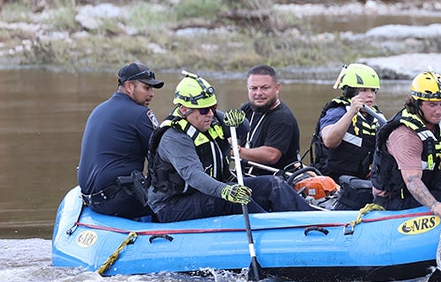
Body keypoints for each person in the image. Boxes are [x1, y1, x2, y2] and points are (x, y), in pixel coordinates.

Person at [146, 73, 315, 223]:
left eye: (213, 107)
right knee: (234, 199)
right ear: (184, 109)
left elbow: (243, 129)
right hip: (174, 205)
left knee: (272, 183)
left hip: (209, 192)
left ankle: (313, 221)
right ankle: (271, 230)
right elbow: (194, 176)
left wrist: (239, 120)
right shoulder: (174, 138)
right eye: (204, 110)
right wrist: (225, 190)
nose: (211, 114)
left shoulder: (210, 118)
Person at [369, 70, 441, 221]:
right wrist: (436, 206)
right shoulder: (405, 135)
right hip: (397, 198)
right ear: (417, 104)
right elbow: (412, 181)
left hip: (432, 182)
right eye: (432, 105)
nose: (439, 110)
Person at [77, 61, 164, 219]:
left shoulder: (99, 109)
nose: (151, 93)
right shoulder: (141, 115)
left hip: (92, 200)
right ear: (129, 87)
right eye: (146, 88)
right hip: (117, 201)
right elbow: (164, 159)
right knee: (182, 203)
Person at [309, 63, 386, 209]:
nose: (370, 95)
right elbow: (329, 141)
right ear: (351, 92)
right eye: (363, 90)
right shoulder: (337, 111)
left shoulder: (376, 117)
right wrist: (351, 112)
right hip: (332, 179)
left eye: (373, 91)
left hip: (359, 181)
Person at [237, 64, 302, 176]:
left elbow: (271, 155)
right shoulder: (247, 109)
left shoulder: (282, 118)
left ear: (277, 88)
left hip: (277, 182)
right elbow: (232, 137)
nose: (258, 93)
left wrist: (236, 151)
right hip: (246, 176)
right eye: (253, 88)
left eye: (264, 88)